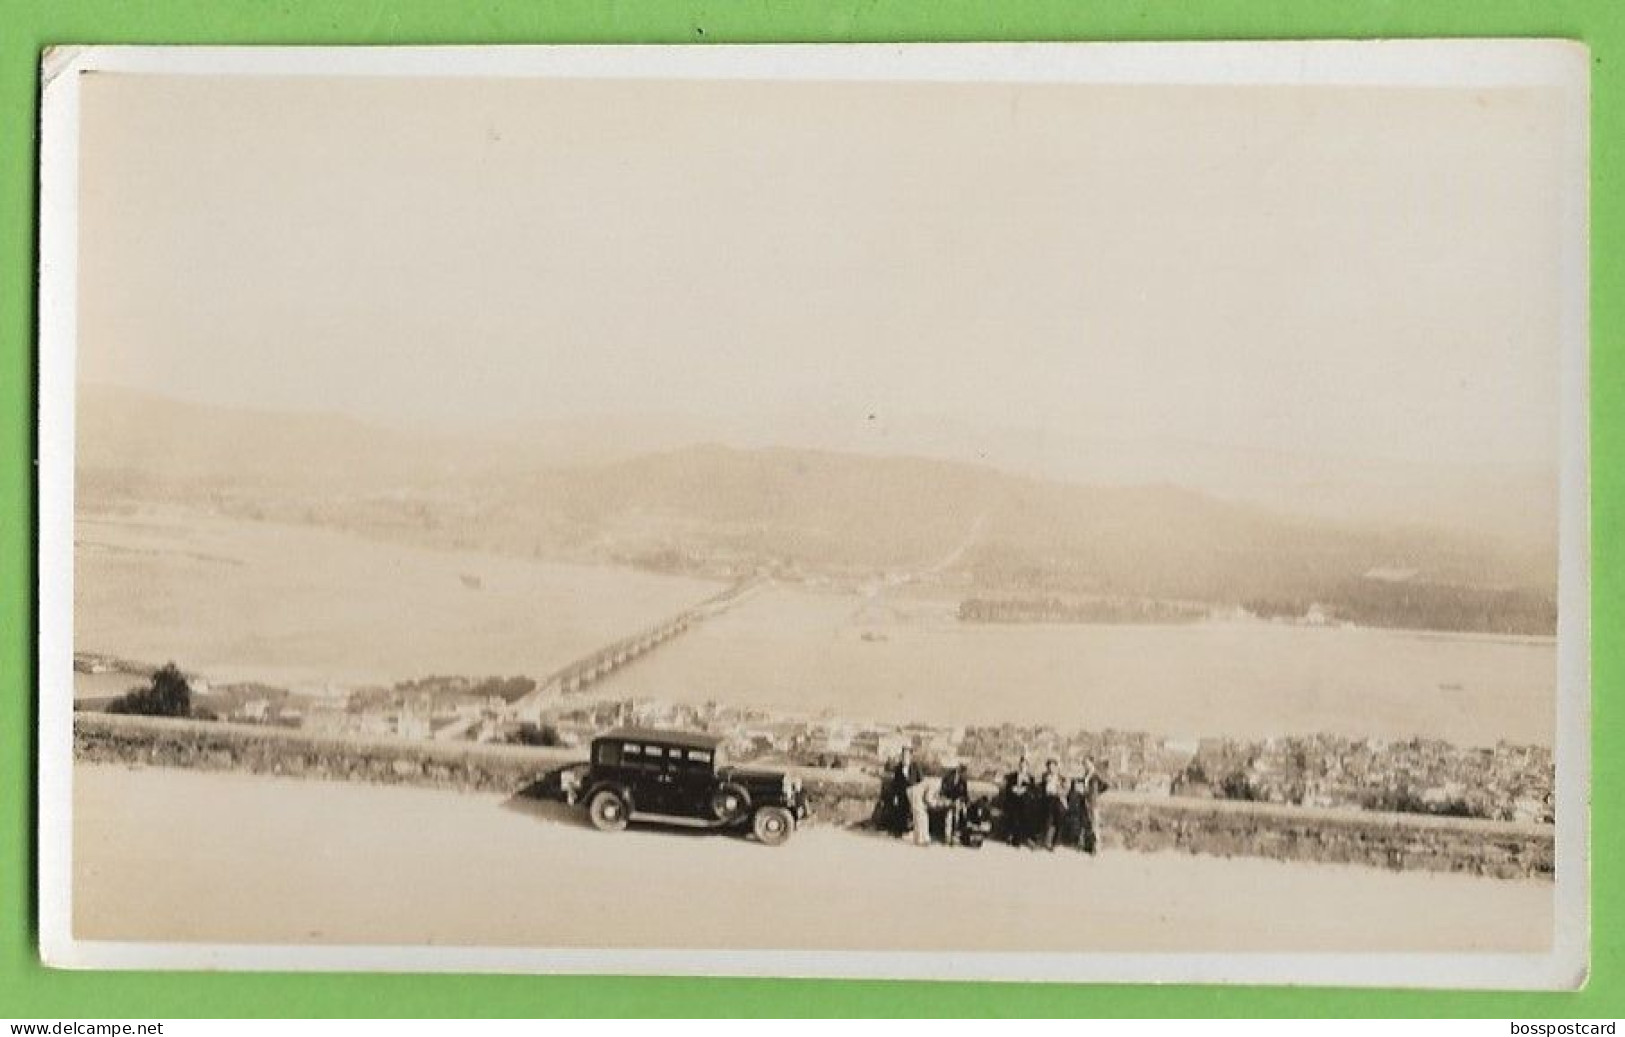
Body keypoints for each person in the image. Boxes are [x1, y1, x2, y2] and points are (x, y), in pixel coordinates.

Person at [1075, 756, 1112, 855]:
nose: (1085, 765)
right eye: (1084, 764)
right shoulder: (1086, 775)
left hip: (1093, 803)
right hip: (1085, 801)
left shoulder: (1095, 775)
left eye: (1087, 763)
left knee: (1094, 825)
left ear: (1092, 763)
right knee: (1084, 823)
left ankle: (1096, 848)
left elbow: (1106, 784)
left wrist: (1097, 792)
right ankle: (1085, 845)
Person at [887, 746, 924, 840]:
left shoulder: (915, 766)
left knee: (916, 812)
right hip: (902, 794)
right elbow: (895, 783)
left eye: (906, 756)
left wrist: (917, 792)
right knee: (900, 810)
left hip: (914, 794)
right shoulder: (898, 768)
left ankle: (913, 832)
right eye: (903, 756)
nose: (904, 758)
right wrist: (895, 796)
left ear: (910, 757)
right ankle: (900, 831)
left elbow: (921, 781)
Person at [1001, 755, 1036, 846]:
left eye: (1024, 766)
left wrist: (1025, 790)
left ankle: (1019, 839)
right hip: (1013, 800)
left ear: (1027, 767)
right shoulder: (1012, 776)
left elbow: (1032, 791)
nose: (1022, 767)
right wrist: (1014, 790)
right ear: (1019, 766)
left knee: (1024, 813)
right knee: (1014, 813)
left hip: (1025, 802)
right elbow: (1008, 789)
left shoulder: (1030, 778)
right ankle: (1012, 837)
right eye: (1021, 765)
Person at [1039, 758, 1069, 851]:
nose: (1051, 769)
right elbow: (1041, 788)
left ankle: (1056, 842)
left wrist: (1058, 790)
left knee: (1058, 819)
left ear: (1056, 767)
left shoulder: (1062, 777)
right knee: (1049, 820)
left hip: (1059, 799)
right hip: (1048, 800)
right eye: (1049, 767)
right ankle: (1047, 842)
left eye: (1053, 767)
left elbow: (1066, 790)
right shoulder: (1045, 776)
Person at [938, 763, 970, 846]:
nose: (962, 773)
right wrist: (945, 799)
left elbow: (965, 793)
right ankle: (948, 838)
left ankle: (953, 837)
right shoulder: (948, 777)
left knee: (956, 818)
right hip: (948, 800)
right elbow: (943, 790)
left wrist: (963, 802)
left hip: (957, 802)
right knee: (949, 818)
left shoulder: (963, 780)